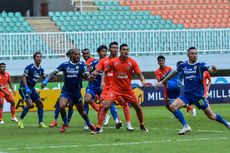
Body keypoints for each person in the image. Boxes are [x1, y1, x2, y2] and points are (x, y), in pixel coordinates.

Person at [156, 47, 230, 135]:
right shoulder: (183, 65)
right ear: (188, 55)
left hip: (198, 97)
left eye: (196, 53)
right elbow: (172, 73)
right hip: (186, 95)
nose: (194, 55)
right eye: (192, 53)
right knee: (172, 106)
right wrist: (161, 82)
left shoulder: (201, 65)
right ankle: (186, 126)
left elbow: (211, 70)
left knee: (211, 116)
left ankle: (227, 123)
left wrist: (214, 69)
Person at [91, 44, 148, 134]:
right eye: (124, 49)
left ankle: (142, 125)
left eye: (127, 49)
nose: (126, 51)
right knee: (105, 106)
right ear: (120, 51)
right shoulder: (114, 61)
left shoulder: (132, 62)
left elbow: (139, 73)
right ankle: (98, 128)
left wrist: (143, 81)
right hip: (114, 89)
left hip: (127, 90)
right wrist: (98, 76)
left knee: (138, 108)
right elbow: (105, 71)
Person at [41, 49, 95, 133]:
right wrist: (46, 81)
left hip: (77, 92)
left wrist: (88, 77)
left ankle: (89, 123)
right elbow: (53, 73)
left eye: (78, 54)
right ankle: (65, 123)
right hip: (66, 91)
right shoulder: (65, 65)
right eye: (76, 54)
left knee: (82, 111)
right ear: (71, 55)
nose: (78, 56)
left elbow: (86, 74)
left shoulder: (82, 64)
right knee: (62, 106)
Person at [96, 42, 133, 131]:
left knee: (125, 104)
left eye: (116, 48)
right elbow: (98, 70)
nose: (115, 49)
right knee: (102, 106)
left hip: (119, 87)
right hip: (108, 88)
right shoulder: (103, 61)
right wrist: (100, 79)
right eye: (113, 47)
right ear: (110, 49)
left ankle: (129, 124)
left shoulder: (122, 60)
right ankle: (99, 126)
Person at [18, 52, 47, 128]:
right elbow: (24, 77)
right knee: (30, 104)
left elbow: (44, 77)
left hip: (32, 88)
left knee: (40, 103)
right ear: (34, 58)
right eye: (37, 57)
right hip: (23, 87)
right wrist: (26, 88)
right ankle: (20, 120)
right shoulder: (30, 67)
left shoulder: (41, 69)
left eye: (40, 57)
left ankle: (40, 123)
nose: (39, 58)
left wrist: (48, 80)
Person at [49, 50, 74, 127]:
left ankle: (67, 122)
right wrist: (52, 76)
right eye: (71, 54)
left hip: (76, 88)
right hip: (66, 88)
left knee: (71, 106)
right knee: (59, 104)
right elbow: (54, 72)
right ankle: (55, 121)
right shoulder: (65, 65)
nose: (73, 56)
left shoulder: (80, 64)